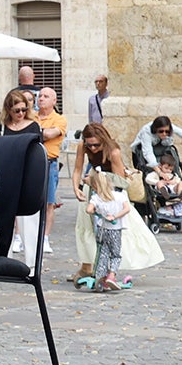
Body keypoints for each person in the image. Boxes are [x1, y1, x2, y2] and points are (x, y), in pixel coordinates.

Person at [72, 121, 164, 283]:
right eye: (89, 145)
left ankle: (111, 270)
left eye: (96, 145)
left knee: (116, 229)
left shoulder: (113, 151)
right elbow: (78, 169)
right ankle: (87, 266)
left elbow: (119, 181)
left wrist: (94, 181)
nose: (92, 148)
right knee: (87, 226)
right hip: (93, 186)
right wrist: (76, 187)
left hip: (111, 191)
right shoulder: (83, 146)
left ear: (103, 140)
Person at [0, 87, 41, 257]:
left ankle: (32, 262)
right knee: (4, 220)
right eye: (17, 110)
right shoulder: (2, 127)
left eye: (24, 109)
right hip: (6, 177)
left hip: (27, 177)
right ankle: (5, 259)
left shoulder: (33, 126)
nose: (21, 113)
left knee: (29, 222)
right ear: (9, 110)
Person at [83, 168, 129, 292]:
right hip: (115, 229)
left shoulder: (96, 198)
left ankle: (100, 276)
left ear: (94, 186)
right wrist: (115, 216)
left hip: (102, 229)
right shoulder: (119, 196)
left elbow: (88, 210)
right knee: (115, 254)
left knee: (102, 253)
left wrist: (97, 212)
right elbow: (127, 209)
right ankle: (111, 276)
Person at [34, 87, 65, 244]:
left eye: (46, 96)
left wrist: (36, 132)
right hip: (32, 162)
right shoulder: (31, 116)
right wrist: (42, 132)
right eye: (40, 96)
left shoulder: (59, 119)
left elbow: (50, 134)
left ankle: (45, 237)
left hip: (49, 163)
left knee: (49, 202)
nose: (41, 98)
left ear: (54, 101)